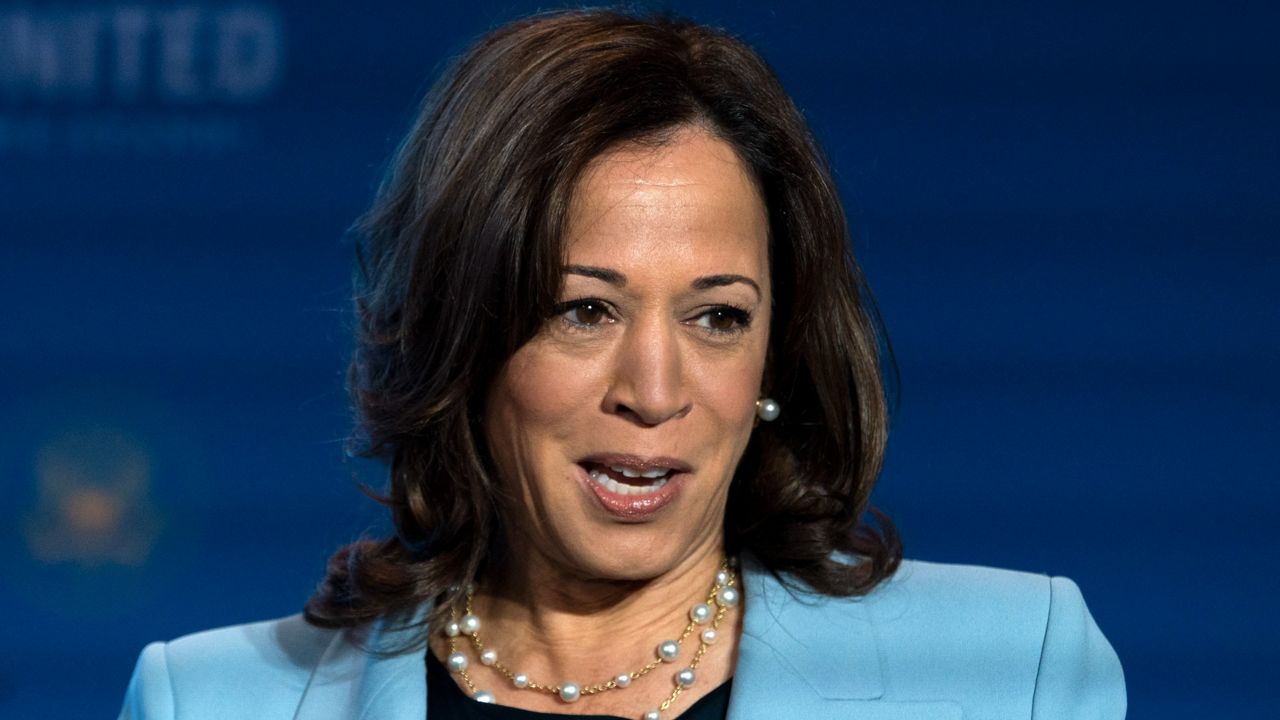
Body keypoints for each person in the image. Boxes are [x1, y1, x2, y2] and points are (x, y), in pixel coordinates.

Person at [119, 9, 1125, 720]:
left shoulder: (1012, 668)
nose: (653, 393)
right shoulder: (209, 701)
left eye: (717, 317)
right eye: (584, 311)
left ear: (777, 349)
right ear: (462, 336)